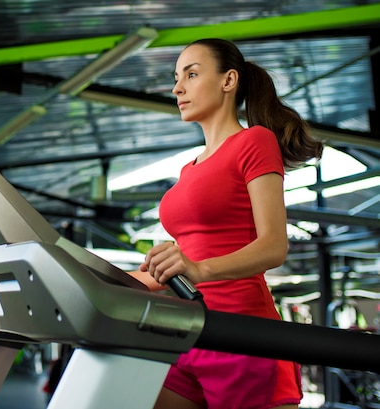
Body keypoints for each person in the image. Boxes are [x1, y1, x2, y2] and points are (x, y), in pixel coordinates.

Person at [130, 38, 324, 409]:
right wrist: (90, 277)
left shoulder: (254, 141)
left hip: (243, 336)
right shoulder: (188, 170)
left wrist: (198, 269)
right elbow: (182, 264)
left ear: (228, 80)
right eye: (176, 78)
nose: (177, 88)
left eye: (191, 74)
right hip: (191, 335)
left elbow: (273, 246)